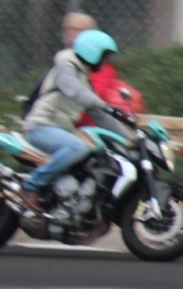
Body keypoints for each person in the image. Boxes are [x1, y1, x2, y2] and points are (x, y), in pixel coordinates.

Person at [21, 27, 128, 213]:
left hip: (58, 130)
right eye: (104, 56)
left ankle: (61, 199)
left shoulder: (83, 79)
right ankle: (31, 185)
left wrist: (130, 139)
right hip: (40, 126)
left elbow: (99, 115)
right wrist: (104, 104)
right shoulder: (66, 67)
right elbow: (74, 91)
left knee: (95, 154)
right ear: (92, 51)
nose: (105, 61)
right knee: (78, 147)